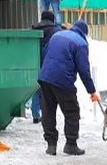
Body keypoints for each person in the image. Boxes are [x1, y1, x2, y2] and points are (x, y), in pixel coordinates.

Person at [37, 19, 98, 156]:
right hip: (63, 80)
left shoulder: (57, 35)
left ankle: (51, 145)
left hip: (45, 77)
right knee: (72, 112)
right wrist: (92, 91)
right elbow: (84, 70)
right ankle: (71, 144)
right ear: (84, 33)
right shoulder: (81, 43)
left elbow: (45, 54)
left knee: (48, 112)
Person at [29, 10, 64, 124]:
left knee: (36, 88)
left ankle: (35, 115)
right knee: (47, 91)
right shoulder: (57, 31)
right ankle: (46, 114)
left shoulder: (34, 30)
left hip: (35, 63)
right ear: (52, 19)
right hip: (50, 64)